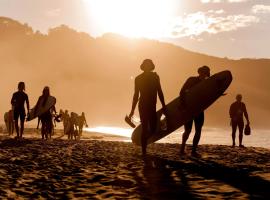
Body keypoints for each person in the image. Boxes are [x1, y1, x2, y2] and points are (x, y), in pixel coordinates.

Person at [129, 59, 166, 156]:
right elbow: (136, 95)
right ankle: (144, 152)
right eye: (145, 65)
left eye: (149, 65)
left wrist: (164, 105)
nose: (147, 66)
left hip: (152, 105)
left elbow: (160, 91)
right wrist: (132, 110)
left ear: (151, 66)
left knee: (153, 129)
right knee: (145, 127)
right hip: (143, 105)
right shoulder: (138, 78)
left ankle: (144, 142)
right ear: (143, 66)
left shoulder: (155, 77)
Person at [179, 66, 210, 157]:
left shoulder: (207, 83)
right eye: (203, 72)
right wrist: (183, 105)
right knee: (187, 130)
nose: (204, 74)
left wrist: (218, 93)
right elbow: (181, 92)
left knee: (198, 130)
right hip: (189, 108)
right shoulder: (191, 80)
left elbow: (210, 95)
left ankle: (193, 151)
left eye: (206, 72)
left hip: (199, 109)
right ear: (199, 72)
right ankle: (182, 148)